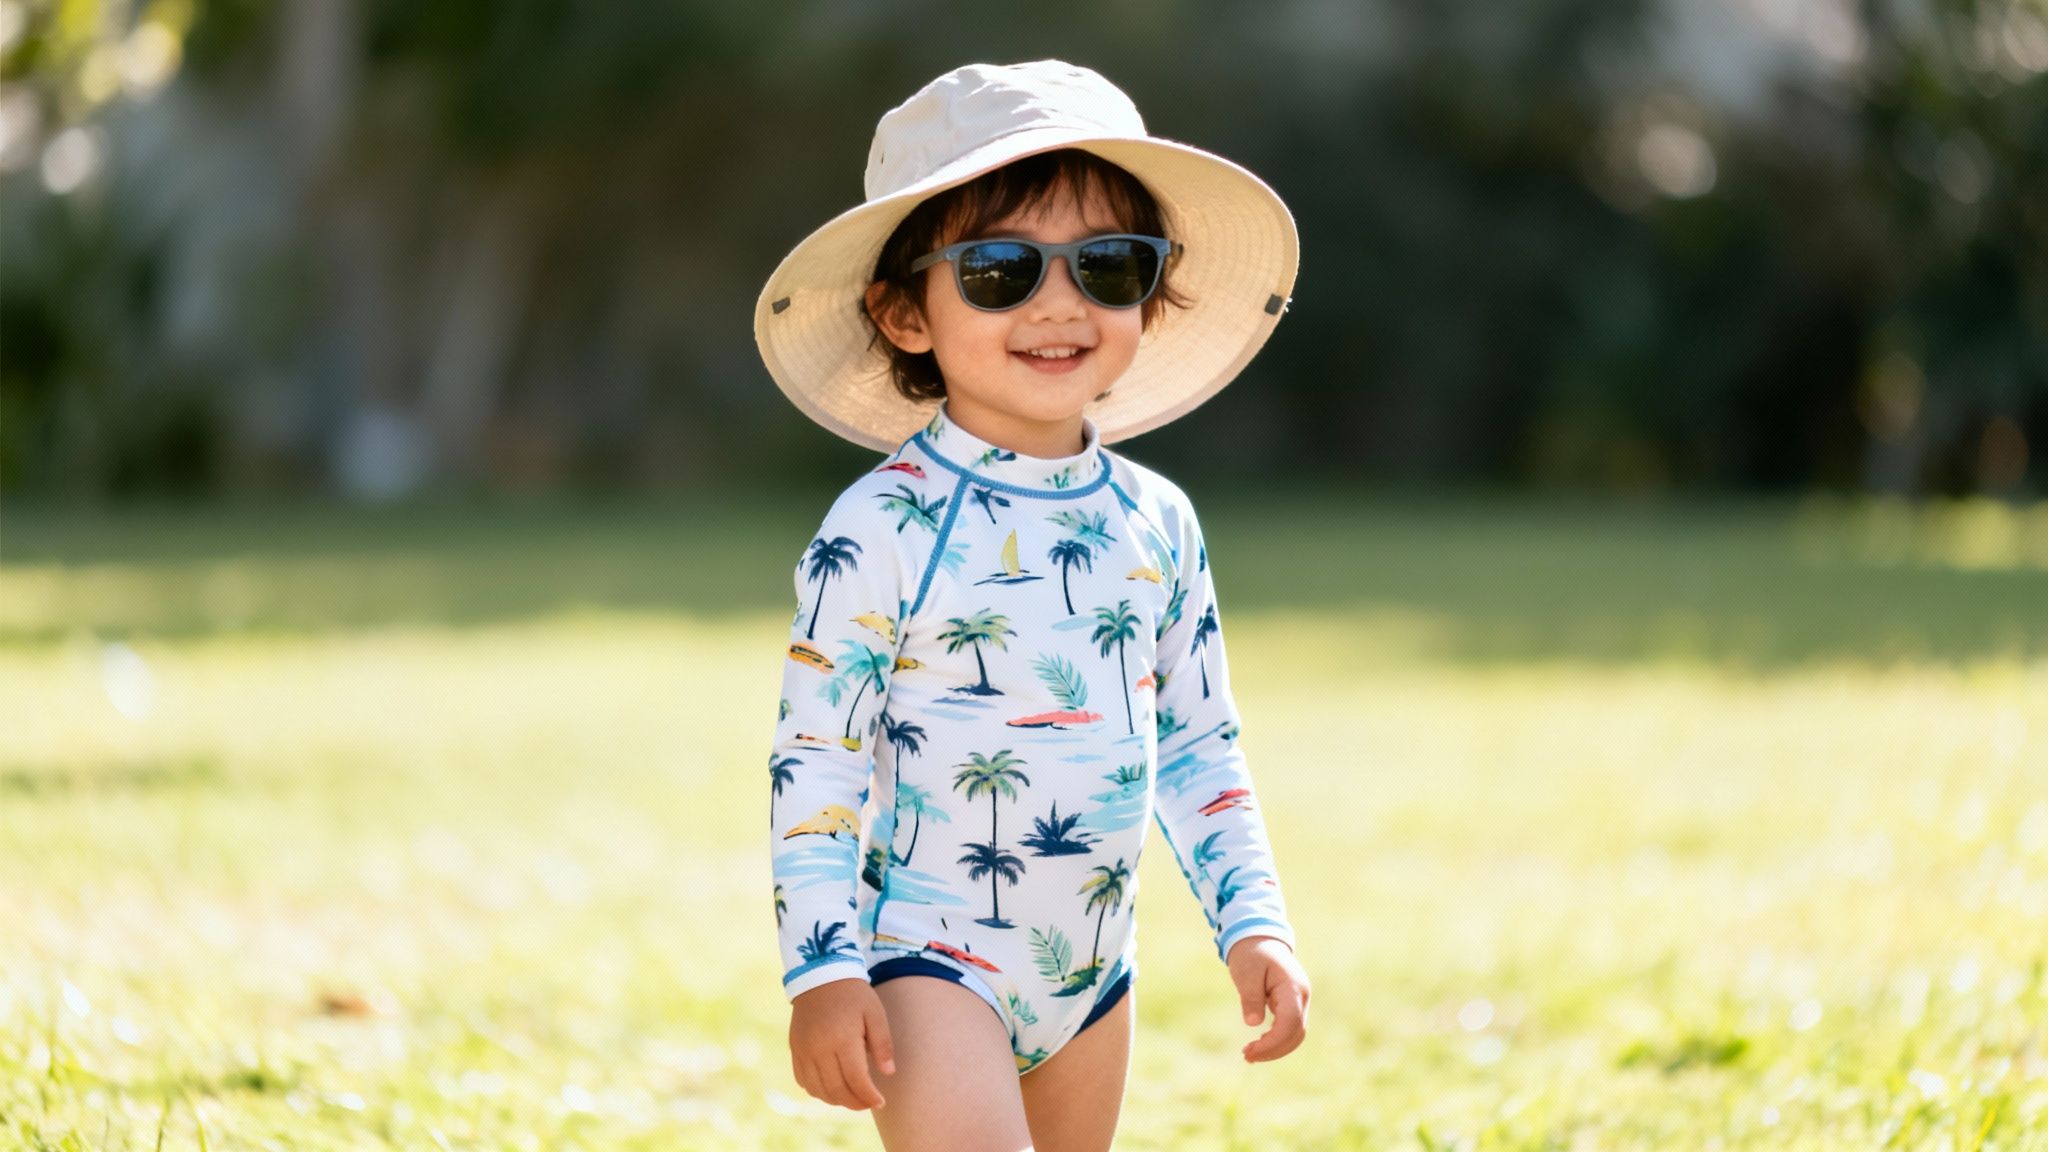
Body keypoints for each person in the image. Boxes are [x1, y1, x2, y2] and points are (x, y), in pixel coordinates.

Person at [754, 59, 1311, 1151]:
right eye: (1001, 269)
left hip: (1094, 974)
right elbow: (814, 760)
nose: (1060, 302)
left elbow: (1199, 743)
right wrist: (821, 966)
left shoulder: (1159, 522)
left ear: (1149, 294)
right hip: (928, 962)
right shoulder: (879, 529)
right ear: (903, 312)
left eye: (1106, 265)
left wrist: (1253, 921)